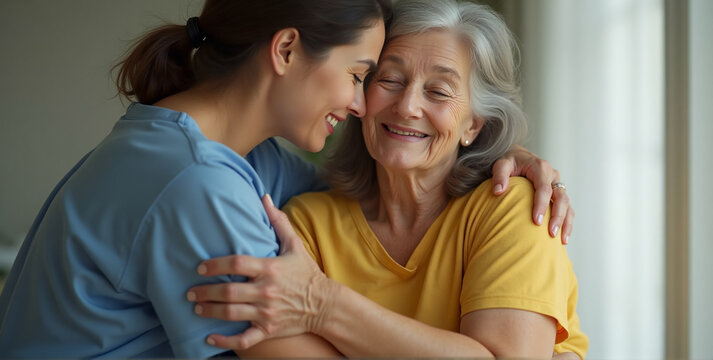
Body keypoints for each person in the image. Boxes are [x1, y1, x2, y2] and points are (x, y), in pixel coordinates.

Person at [0, 0, 572, 358]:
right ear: (287, 48)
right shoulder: (201, 183)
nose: (357, 102)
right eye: (364, 76)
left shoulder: (230, 158)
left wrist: (497, 148)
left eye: (441, 92)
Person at [185, 0, 588, 359]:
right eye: (390, 80)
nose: (408, 106)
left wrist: (323, 305)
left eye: (439, 91)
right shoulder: (306, 222)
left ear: (474, 124)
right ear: (360, 95)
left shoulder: (514, 207)